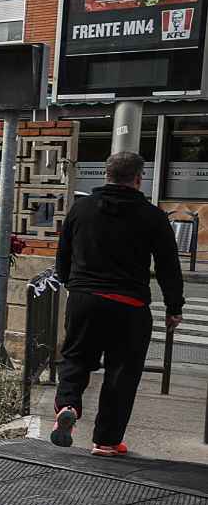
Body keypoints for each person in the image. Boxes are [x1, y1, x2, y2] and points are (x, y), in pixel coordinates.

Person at [51, 151, 185, 455]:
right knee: (122, 374)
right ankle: (107, 441)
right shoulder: (152, 216)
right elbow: (168, 266)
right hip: (130, 305)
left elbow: (64, 256)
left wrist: (73, 285)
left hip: (85, 299)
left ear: (106, 175)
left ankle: (68, 405)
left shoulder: (80, 209)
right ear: (138, 178)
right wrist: (174, 307)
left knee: (75, 359)